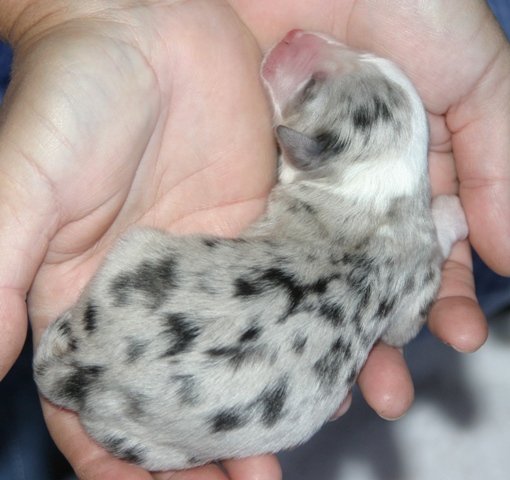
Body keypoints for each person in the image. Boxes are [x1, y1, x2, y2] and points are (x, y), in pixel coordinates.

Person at [0, 1, 508, 479]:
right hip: (157, 417)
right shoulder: (412, 255)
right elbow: (400, 328)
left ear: (307, 154)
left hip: (136, 338)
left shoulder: (332, 197)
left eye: (312, 88)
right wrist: (442, 228)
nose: (302, 40)